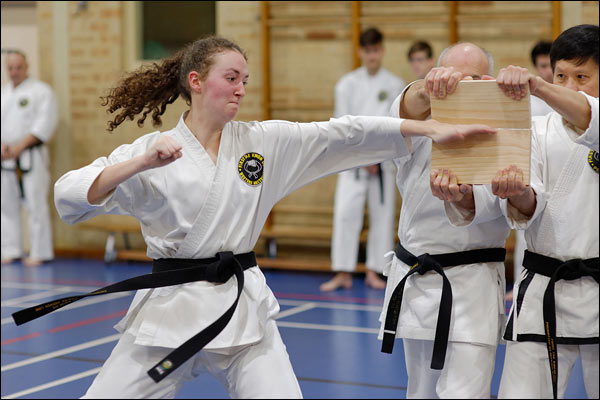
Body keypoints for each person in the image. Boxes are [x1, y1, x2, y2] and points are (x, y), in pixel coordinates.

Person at [11, 37, 496, 399]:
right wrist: (140, 163)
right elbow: (67, 196)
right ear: (196, 82)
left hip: (241, 307)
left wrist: (424, 126)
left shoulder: (260, 143)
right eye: (232, 78)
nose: (242, 88)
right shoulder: (154, 150)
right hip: (169, 311)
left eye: (246, 79)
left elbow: (341, 134)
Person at [379, 43, 512, 398]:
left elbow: (512, 207)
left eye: (471, 79)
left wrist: (466, 198)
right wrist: (425, 86)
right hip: (419, 283)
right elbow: (401, 109)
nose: (460, 87)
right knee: (419, 392)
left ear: (489, 81)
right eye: (451, 78)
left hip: (475, 287)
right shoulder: (418, 124)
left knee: (466, 394)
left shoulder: (507, 129)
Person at [489, 25, 598, 399]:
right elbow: (529, 204)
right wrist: (517, 194)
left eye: (581, 77)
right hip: (544, 289)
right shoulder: (533, 130)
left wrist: (536, 86)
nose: (569, 86)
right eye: (561, 76)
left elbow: (588, 115)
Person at [321, 27, 405, 292]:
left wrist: (376, 156)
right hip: (351, 161)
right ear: (360, 52)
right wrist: (362, 157)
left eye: (376, 50)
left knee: (382, 217)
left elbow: (394, 125)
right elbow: (342, 126)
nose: (372, 56)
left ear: (382, 50)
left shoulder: (394, 84)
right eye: (367, 51)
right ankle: (343, 272)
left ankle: (374, 271)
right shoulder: (346, 84)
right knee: (346, 214)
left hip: (383, 162)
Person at [508, 39, 555, 302]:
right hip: (531, 173)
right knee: (525, 232)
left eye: (551, 65)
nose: (547, 71)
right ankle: (519, 285)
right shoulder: (528, 100)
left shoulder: (567, 99)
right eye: (542, 66)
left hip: (557, 176)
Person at [1, 49, 58, 267]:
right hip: (6, 156)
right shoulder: (4, 93)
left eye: (18, 67)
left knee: (35, 204)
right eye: (10, 68)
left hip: (31, 154)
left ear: (26, 67)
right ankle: (11, 249)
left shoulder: (41, 91)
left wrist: (20, 146)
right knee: (6, 205)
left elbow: (45, 123)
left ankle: (40, 252)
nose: (14, 72)